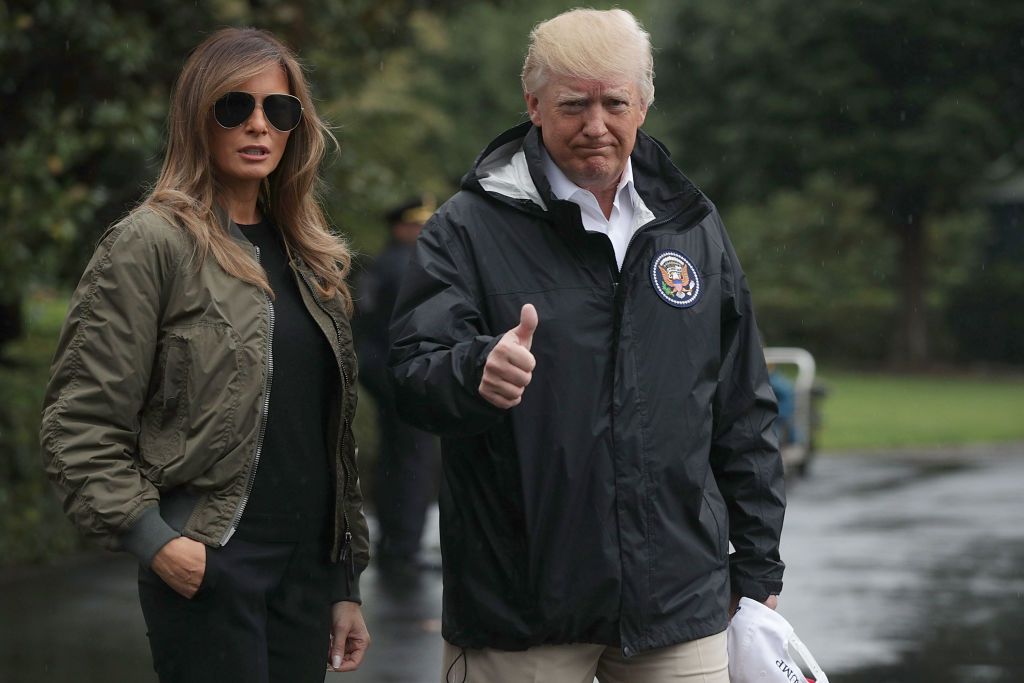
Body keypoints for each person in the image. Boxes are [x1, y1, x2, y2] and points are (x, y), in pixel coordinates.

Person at [388, 9, 785, 682]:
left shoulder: (691, 225)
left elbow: (741, 402)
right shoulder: (468, 227)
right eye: (574, 104)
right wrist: (474, 371)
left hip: (677, 602)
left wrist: (758, 560)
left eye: (614, 103)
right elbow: (410, 371)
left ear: (644, 103)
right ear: (533, 104)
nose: (595, 124)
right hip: (522, 607)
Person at [40, 28, 370, 682]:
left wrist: (344, 581)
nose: (257, 125)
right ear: (198, 118)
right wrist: (156, 541)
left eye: (278, 111)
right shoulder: (149, 243)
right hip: (210, 563)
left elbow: (330, 437)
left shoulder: (310, 259)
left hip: (304, 574)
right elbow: (77, 424)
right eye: (233, 107)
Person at [354, 197, 441, 580]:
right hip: (402, 376)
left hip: (378, 372)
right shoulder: (409, 265)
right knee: (415, 460)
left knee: (395, 458)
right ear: (402, 227)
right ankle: (404, 546)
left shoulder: (380, 264)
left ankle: (393, 541)